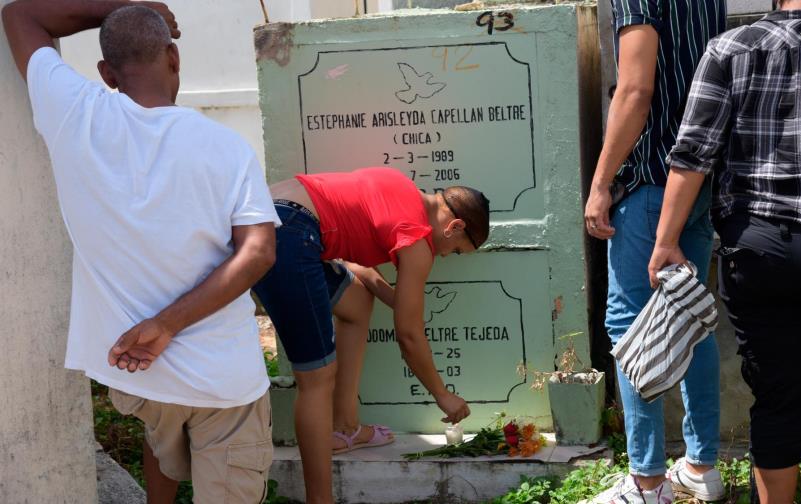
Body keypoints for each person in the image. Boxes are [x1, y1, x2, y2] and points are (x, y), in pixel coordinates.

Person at [2, 2, 280, 502]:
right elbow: (258, 253)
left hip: (137, 375)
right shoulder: (226, 147)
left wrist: (123, 6)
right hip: (225, 383)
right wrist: (169, 324)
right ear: (173, 59)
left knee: (161, 447)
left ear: (107, 73)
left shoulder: (74, 116)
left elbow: (20, 15)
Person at [649, 0, 801, 502]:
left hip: (759, 251)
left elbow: (693, 152)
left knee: (780, 399)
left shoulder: (727, 48)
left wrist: (665, 242)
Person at [253, 167, 489, 504]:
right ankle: (320, 500)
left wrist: (400, 300)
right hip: (288, 232)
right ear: (455, 226)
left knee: (356, 301)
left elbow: (355, 262)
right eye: (455, 251)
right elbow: (408, 335)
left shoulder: (401, 187)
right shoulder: (416, 238)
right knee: (317, 378)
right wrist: (442, 394)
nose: (445, 256)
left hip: (268, 212)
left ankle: (345, 427)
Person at [581, 1, 728, 503]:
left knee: (627, 325)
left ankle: (646, 483)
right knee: (691, 314)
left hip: (651, 180)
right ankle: (701, 466)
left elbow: (636, 89)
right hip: (699, 177)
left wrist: (601, 183)